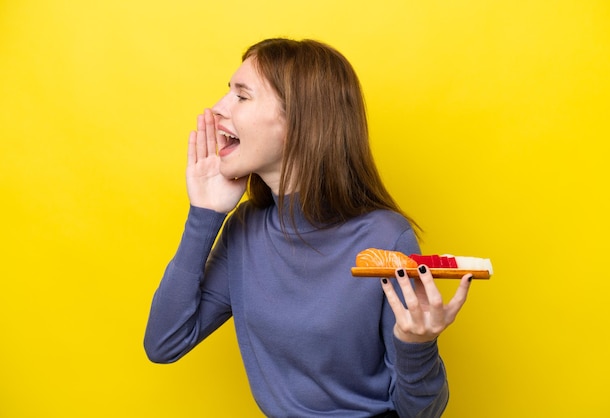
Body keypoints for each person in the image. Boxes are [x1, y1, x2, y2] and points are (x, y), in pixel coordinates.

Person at [144, 38, 473, 418]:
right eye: (226, 93)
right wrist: (204, 215)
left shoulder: (385, 238)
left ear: (298, 120)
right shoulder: (245, 230)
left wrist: (417, 345)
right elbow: (165, 343)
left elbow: (421, 412)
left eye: (242, 96)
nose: (217, 109)